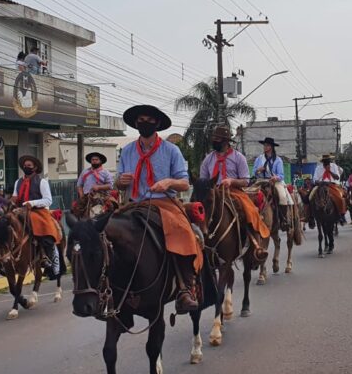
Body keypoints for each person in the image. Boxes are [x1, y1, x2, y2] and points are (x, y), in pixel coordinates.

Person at [115, 104, 201, 314]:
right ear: (136, 124)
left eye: (150, 120)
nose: (145, 123)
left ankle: (185, 287)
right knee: (108, 230)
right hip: (134, 203)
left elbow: (184, 182)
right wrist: (121, 181)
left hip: (164, 202)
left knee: (183, 232)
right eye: (141, 120)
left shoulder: (171, 150)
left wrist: (168, 182)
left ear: (157, 124)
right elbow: (117, 183)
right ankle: (109, 287)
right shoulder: (126, 151)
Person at [201, 126, 269, 260]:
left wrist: (231, 181)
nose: (214, 141)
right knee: (196, 210)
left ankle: (256, 244)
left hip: (233, 192)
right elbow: (203, 180)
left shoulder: (239, 158)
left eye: (218, 139)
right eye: (214, 139)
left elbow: (245, 181)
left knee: (250, 211)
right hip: (213, 193)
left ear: (226, 141)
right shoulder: (208, 159)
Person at [12, 155, 64, 279]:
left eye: (29, 166)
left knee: (46, 234)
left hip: (38, 211)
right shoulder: (18, 182)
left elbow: (48, 200)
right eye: (25, 166)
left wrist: (33, 203)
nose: (26, 167)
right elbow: (15, 196)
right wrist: (12, 201)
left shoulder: (42, 182)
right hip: (20, 210)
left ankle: (51, 261)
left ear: (35, 168)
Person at [253, 137, 291, 228]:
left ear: (271, 147)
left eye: (267, 145)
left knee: (282, 196)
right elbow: (253, 172)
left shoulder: (278, 160)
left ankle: (283, 219)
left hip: (275, 182)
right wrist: (258, 170)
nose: (265, 147)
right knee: (250, 193)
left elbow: (281, 175)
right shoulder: (259, 159)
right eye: (264, 145)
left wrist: (275, 177)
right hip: (261, 181)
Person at [310, 154, 347, 223]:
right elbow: (315, 179)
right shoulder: (318, 167)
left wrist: (329, 171)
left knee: (339, 197)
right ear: (323, 161)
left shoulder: (334, 166)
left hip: (332, 184)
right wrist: (318, 182)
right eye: (325, 161)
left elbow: (337, 177)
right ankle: (311, 216)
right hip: (321, 185)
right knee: (310, 196)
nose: (327, 162)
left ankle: (341, 215)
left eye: (328, 160)